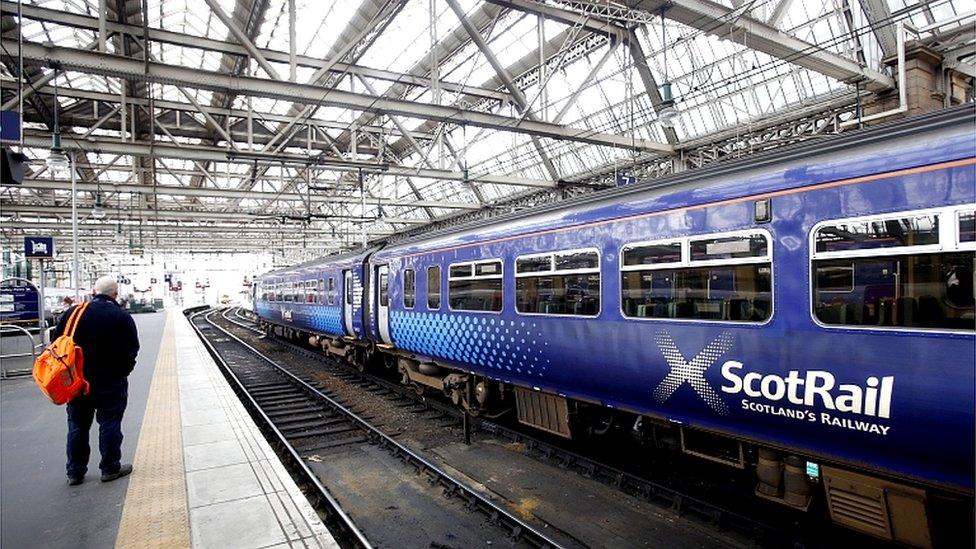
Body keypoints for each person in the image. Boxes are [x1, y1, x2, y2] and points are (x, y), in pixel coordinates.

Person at [52, 276, 140, 486]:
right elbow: (132, 349)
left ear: (93, 292)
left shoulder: (73, 313)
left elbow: (56, 343)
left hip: (77, 382)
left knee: (77, 426)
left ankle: (75, 472)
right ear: (115, 294)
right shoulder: (121, 316)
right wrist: (123, 371)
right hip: (110, 381)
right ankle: (110, 468)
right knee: (109, 423)